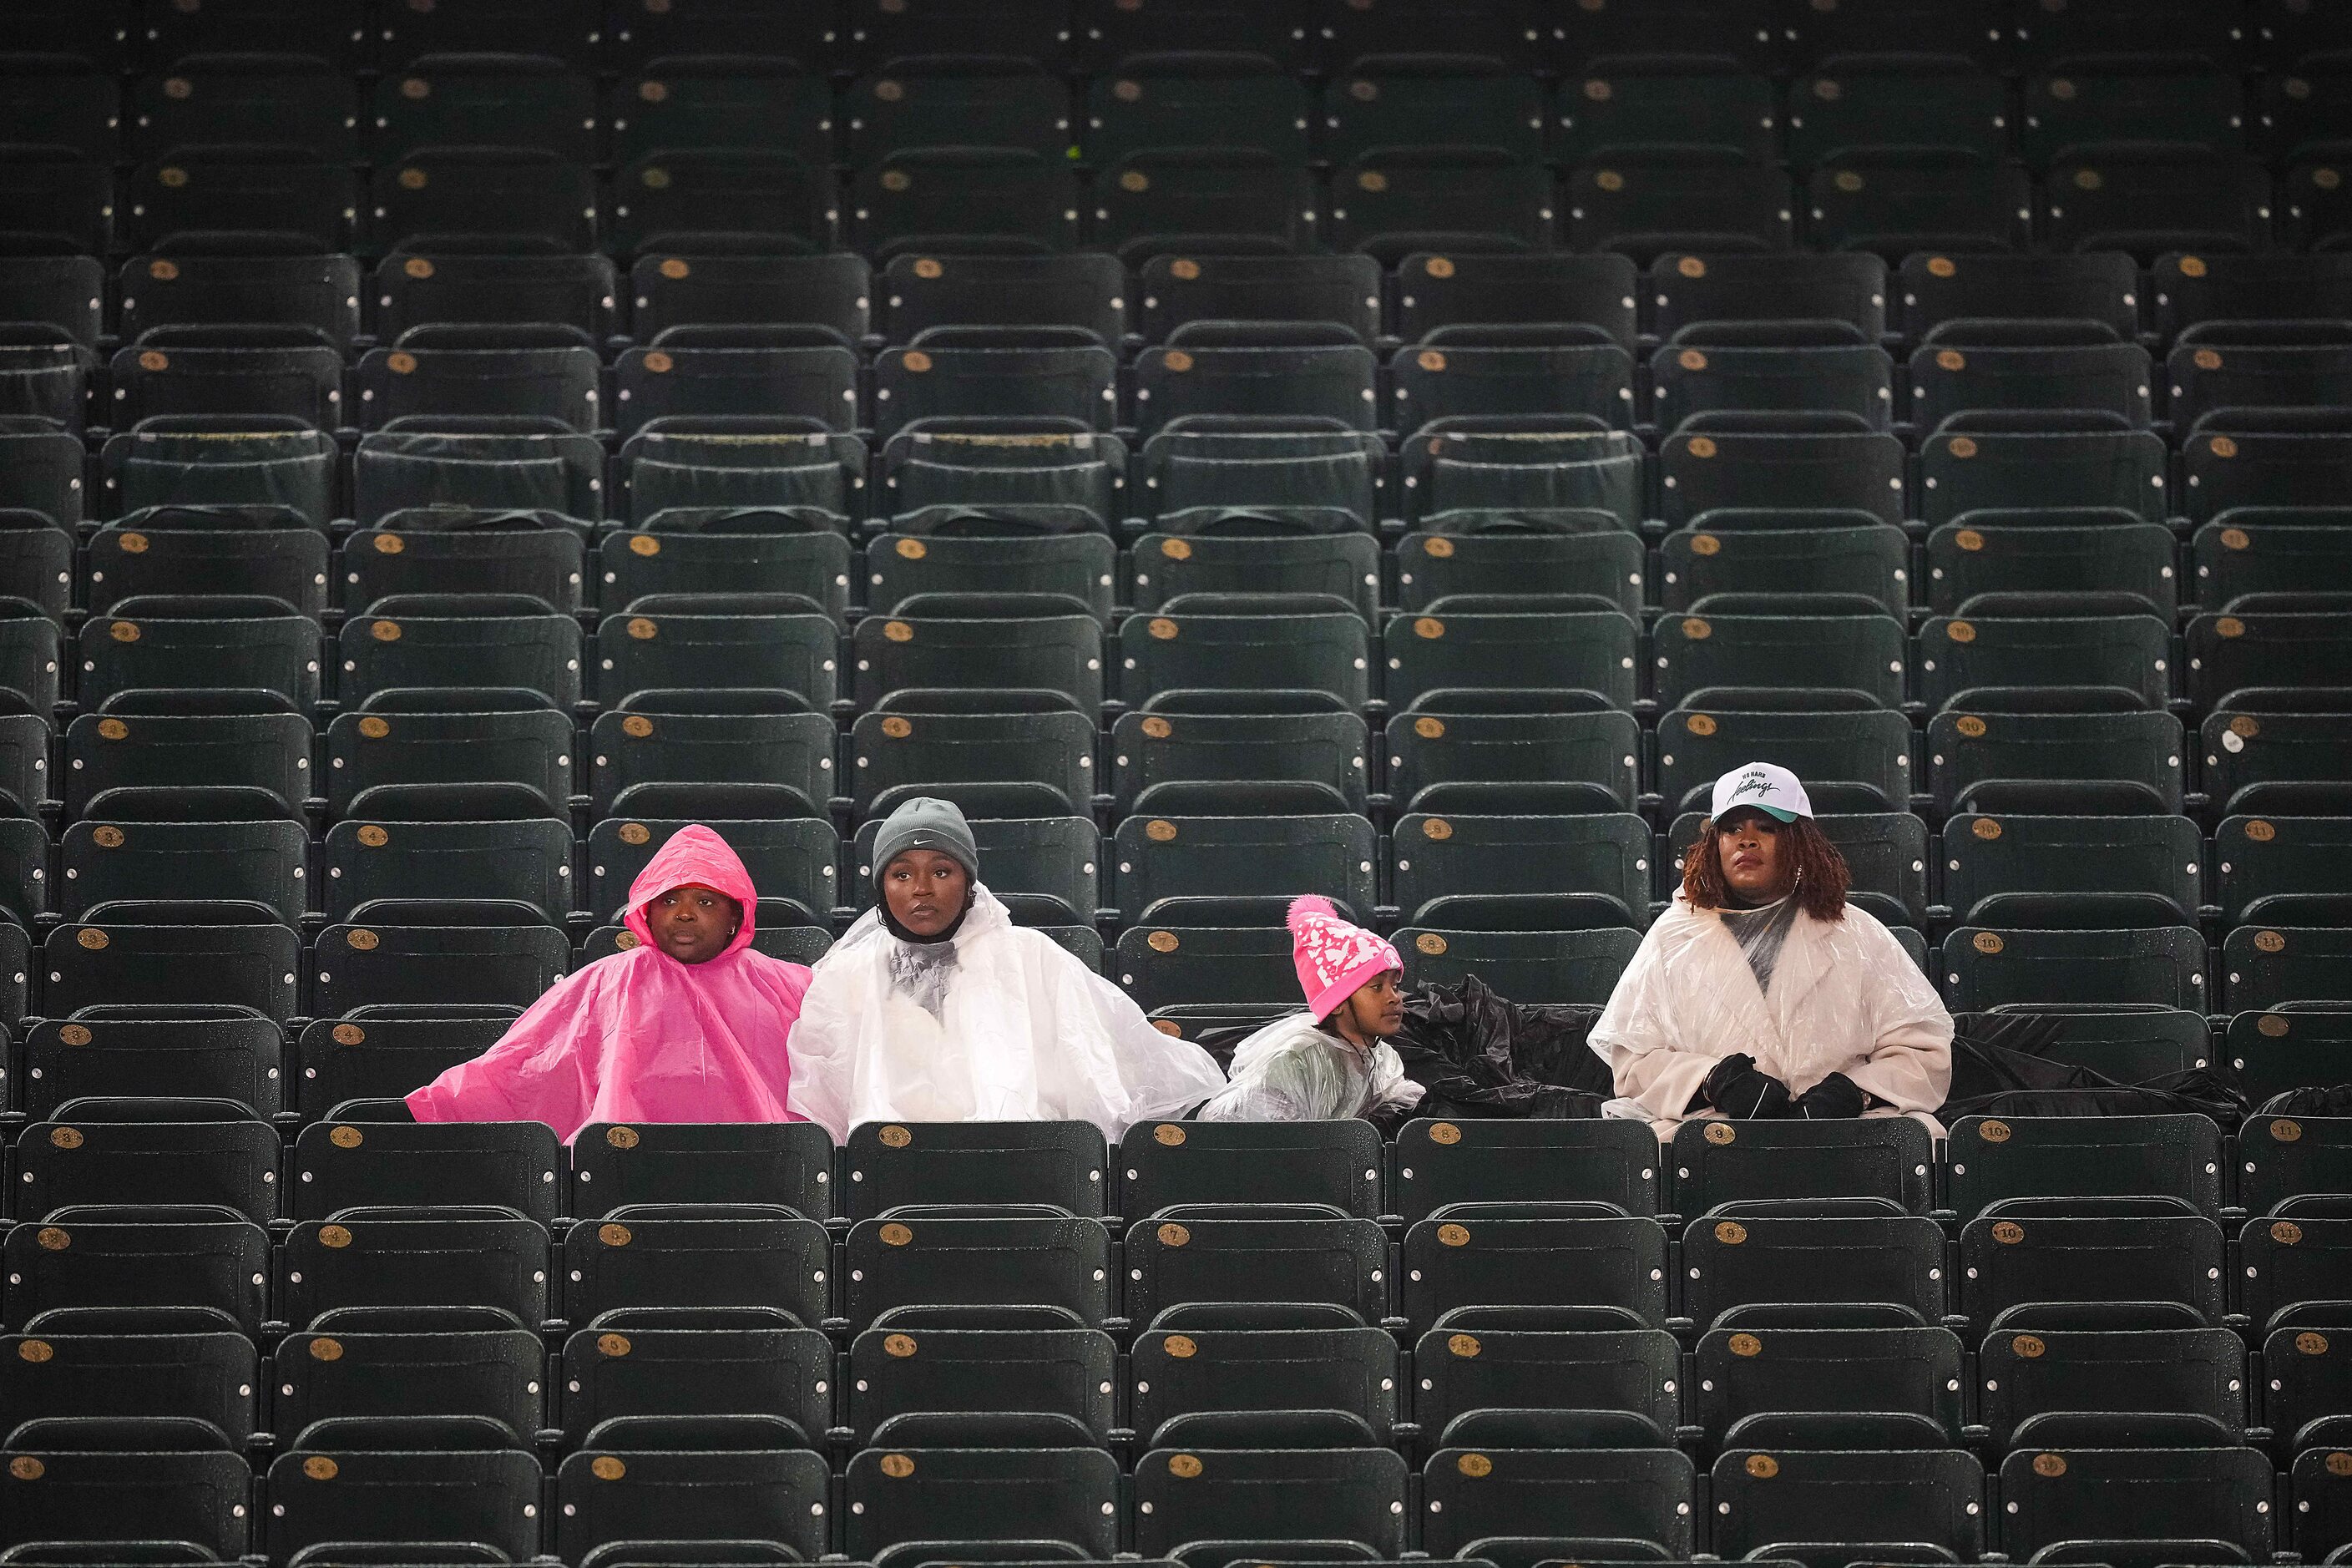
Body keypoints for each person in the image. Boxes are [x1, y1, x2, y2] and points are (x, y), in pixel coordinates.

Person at [785, 797, 1228, 1138]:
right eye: (901, 874)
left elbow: (1100, 1071)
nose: (921, 889)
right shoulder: (845, 975)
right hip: (889, 1174)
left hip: (1024, 1166)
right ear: (880, 886)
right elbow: (823, 1107)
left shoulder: (1032, 956)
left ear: (969, 881)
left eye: (942, 871)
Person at [1591, 761, 1952, 1140]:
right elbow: (1633, 1062)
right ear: (1716, 844)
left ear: (1800, 842)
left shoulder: (1857, 931)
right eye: (1732, 829)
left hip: (1842, 1132)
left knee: (1923, 1137)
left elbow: (1924, 1054)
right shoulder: (1672, 936)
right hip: (1715, 1131)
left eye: (1767, 828)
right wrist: (1713, 1081)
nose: (1747, 840)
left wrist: (1856, 1093)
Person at [406, 824, 811, 1141]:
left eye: (705, 902)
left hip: (764, 1165)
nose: (685, 914)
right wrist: (441, 1103)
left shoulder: (787, 986)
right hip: (623, 1164)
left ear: (736, 917)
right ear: (646, 913)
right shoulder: (604, 980)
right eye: (669, 900)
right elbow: (525, 1063)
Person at [1197, 895, 1425, 1123]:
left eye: (1395, 986)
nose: (1394, 998)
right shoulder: (1296, 1060)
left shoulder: (1382, 1056)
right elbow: (1246, 1141)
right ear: (1336, 1004)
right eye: (1376, 987)